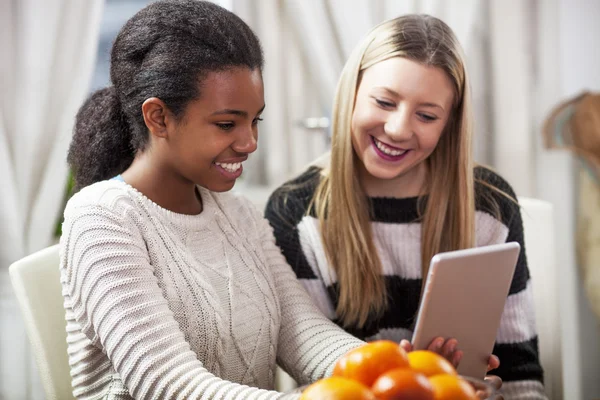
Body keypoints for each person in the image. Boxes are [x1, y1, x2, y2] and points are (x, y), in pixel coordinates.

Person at [60, 1, 366, 398]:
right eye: (227, 124)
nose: (249, 142)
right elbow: (168, 385)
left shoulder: (238, 213)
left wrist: (396, 370)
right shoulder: (100, 219)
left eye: (254, 120)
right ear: (159, 118)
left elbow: (302, 333)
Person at [265, 14, 546, 399]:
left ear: (449, 123)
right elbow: (312, 368)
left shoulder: (490, 206)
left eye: (427, 115)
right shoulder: (296, 210)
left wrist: (483, 392)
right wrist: (411, 378)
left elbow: (520, 376)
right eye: (384, 101)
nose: (398, 129)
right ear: (352, 93)